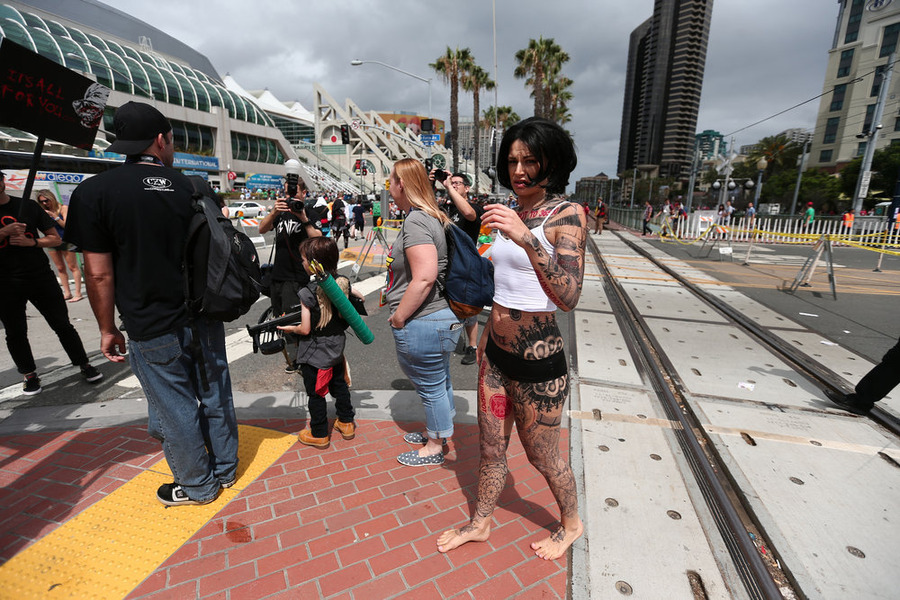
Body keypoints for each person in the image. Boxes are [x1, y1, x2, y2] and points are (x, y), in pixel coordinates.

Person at [65, 101, 234, 506]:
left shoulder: (93, 193)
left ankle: (198, 486)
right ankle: (225, 470)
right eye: (171, 140)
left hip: (150, 324)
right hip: (205, 313)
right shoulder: (194, 186)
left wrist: (107, 328)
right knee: (215, 393)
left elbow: (98, 274)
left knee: (175, 407)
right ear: (161, 140)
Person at [436, 117, 585, 560]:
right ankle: (480, 522)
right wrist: (484, 334)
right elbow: (501, 283)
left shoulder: (567, 215)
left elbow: (568, 296)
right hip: (495, 355)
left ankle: (572, 524)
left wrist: (525, 239)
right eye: (513, 161)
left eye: (530, 161)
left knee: (543, 458)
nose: (519, 170)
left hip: (539, 365)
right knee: (490, 449)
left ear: (551, 162)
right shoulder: (508, 208)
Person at [386, 158, 461, 467]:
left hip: (423, 319)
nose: (389, 187)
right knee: (440, 382)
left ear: (402, 184)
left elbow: (425, 277)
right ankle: (439, 431)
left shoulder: (416, 221)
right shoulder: (431, 216)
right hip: (439, 316)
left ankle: (434, 445)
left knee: (431, 388)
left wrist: (399, 317)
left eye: (391, 181)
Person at [0, 172, 102, 395]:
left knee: (62, 324)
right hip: (5, 282)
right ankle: (29, 375)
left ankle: (84, 364)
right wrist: (4, 232)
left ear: (2, 182)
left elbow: (55, 238)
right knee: (15, 332)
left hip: (39, 276)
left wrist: (32, 242)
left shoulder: (28, 206)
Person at [278, 237, 361, 448]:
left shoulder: (307, 292)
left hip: (313, 352)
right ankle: (346, 422)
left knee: (315, 394)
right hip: (336, 349)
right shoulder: (342, 283)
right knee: (339, 385)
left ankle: (319, 433)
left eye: (304, 259)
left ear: (315, 264)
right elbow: (354, 296)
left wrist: (291, 329)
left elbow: (305, 328)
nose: (302, 262)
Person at [258, 175, 322, 372]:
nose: (289, 196)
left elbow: (318, 239)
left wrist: (303, 218)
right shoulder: (281, 213)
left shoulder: (308, 212)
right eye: (286, 192)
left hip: (296, 277)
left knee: (294, 320)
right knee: (280, 319)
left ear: (304, 193)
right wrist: (274, 212)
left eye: (293, 192)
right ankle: (294, 359)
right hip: (277, 275)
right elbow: (262, 229)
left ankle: (302, 360)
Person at [435, 171, 485, 366]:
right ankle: (446, 340)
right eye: (451, 182)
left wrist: (449, 188)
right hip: (445, 263)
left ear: (467, 188)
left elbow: (469, 215)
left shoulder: (474, 207)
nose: (453, 185)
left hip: (466, 265)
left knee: (467, 306)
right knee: (444, 304)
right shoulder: (446, 208)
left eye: (457, 183)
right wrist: (431, 183)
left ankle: (472, 346)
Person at [36, 189, 83, 302]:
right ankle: (67, 293)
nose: (45, 203)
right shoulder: (43, 211)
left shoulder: (63, 208)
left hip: (66, 240)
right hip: (52, 241)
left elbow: (66, 225)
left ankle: (78, 293)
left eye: (46, 200)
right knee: (60, 268)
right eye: (41, 202)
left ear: (51, 198)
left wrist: (54, 216)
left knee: (72, 266)